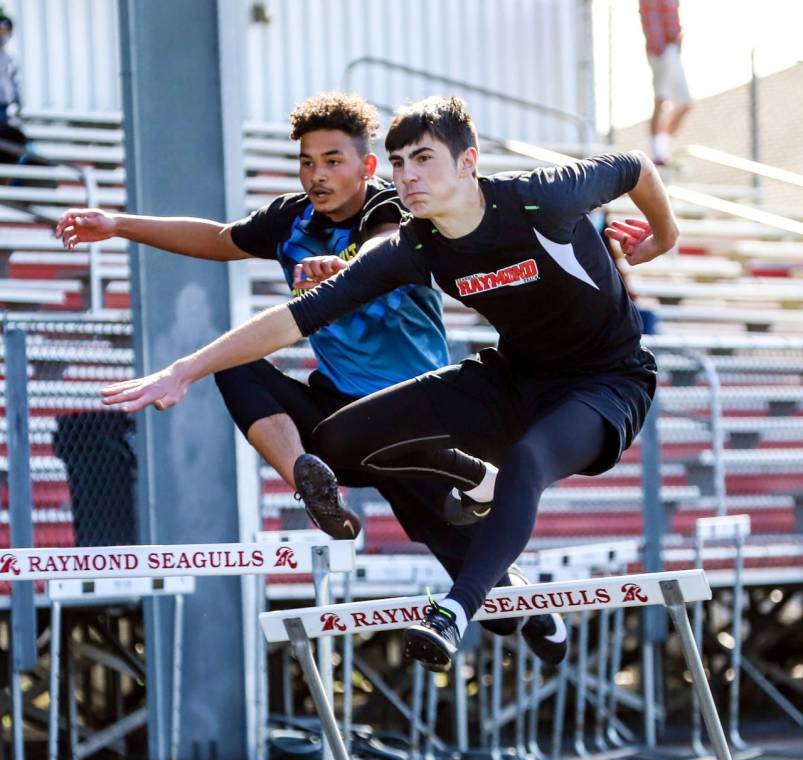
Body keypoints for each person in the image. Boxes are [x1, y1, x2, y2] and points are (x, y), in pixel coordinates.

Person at [101, 96, 677, 670]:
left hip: (606, 381)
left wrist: (663, 239)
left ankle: (453, 611)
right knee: (332, 445)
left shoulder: (540, 196)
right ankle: (474, 478)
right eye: (400, 162)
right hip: (514, 376)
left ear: (468, 161)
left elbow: (636, 165)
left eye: (423, 159)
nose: (409, 176)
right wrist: (184, 369)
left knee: (528, 463)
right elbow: (293, 318)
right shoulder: (416, 245)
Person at [639, 0, 692, 166]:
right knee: (661, 99)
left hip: (673, 50)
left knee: (685, 103)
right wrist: (661, 49)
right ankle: (657, 153)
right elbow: (650, 20)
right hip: (661, 51)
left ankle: (663, 150)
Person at [0, 7, 20, 126]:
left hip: (4, 106)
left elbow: (15, 82)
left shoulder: (10, 58)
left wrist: (16, 101)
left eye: (6, 32)